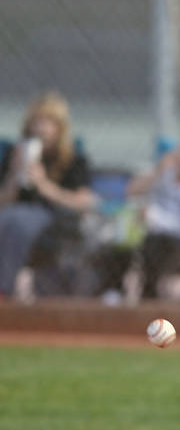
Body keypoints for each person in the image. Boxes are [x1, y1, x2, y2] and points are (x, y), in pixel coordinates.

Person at [92, 127, 180, 301]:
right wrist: (158, 171)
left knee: (154, 244)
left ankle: (149, 298)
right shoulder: (167, 171)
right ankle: (113, 294)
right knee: (118, 238)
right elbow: (131, 191)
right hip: (149, 231)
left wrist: (154, 218)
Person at [0, 91, 95, 300]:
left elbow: (84, 201)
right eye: (37, 121)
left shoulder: (74, 160)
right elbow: (3, 202)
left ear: (60, 128)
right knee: (9, 218)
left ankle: (3, 289)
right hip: (13, 213)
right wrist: (15, 174)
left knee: (15, 221)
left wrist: (43, 184)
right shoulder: (15, 154)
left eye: (48, 122)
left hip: (54, 218)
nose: (41, 128)